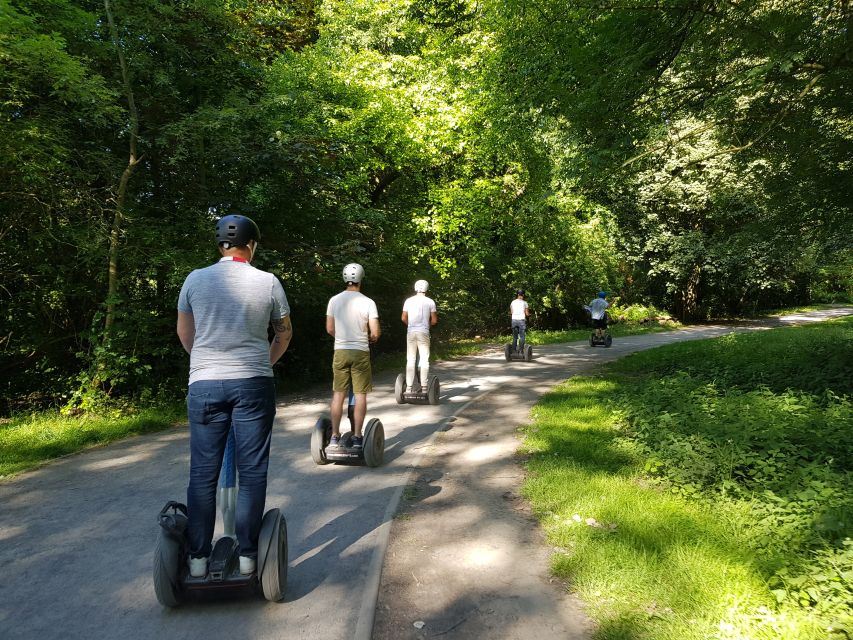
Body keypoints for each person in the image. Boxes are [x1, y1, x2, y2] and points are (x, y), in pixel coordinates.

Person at [176, 214, 293, 579]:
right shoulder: (268, 282)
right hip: (253, 383)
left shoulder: (194, 280)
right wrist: (264, 362)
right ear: (252, 245)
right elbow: (284, 334)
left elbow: (185, 332)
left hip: (205, 384)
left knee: (202, 474)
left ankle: (196, 559)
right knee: (253, 472)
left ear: (220, 245)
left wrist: (205, 365)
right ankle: (247, 556)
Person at [325, 263, 380, 448]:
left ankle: (334, 436)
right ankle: (357, 437)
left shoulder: (334, 300)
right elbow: (375, 332)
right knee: (360, 394)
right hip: (360, 352)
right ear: (361, 279)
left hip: (340, 351)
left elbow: (330, 329)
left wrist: (343, 337)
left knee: (338, 394)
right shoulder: (368, 302)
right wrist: (370, 338)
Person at [401, 279, 438, 392]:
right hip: (423, 332)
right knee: (424, 359)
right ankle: (424, 387)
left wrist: (410, 325)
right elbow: (434, 320)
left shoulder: (408, 301)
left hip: (411, 332)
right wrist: (427, 326)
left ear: (415, 287)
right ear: (426, 289)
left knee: (410, 359)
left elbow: (403, 318)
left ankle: (408, 387)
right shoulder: (430, 302)